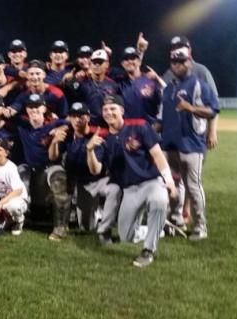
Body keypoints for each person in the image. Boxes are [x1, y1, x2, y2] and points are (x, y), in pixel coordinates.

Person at [86, 95, 177, 267]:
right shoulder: (103, 138)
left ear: (122, 110)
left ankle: (148, 250)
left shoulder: (139, 126)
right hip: (129, 190)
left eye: (113, 108)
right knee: (126, 236)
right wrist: (89, 151)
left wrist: (169, 180)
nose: (109, 112)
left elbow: (157, 154)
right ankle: (160, 229)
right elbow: (95, 170)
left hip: (151, 182)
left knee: (159, 201)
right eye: (105, 110)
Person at [161, 48, 219, 241]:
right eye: (174, 62)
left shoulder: (199, 84)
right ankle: (175, 219)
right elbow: (163, 119)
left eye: (182, 61)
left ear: (189, 62)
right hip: (170, 146)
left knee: (193, 186)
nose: (178, 65)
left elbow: (212, 110)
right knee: (173, 184)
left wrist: (191, 108)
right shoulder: (168, 88)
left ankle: (200, 226)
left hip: (192, 145)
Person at [49, 102, 121, 244]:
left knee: (87, 227)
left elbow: (96, 171)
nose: (77, 120)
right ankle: (60, 226)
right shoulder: (67, 132)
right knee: (58, 177)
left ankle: (95, 215)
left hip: (91, 181)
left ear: (88, 118)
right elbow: (52, 157)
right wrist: (54, 142)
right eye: (74, 116)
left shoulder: (96, 135)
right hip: (69, 176)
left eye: (81, 116)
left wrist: (90, 150)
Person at [15, 94, 71, 241]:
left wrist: (61, 129)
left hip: (50, 168)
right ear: (26, 110)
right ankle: (20, 220)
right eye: (30, 107)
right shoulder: (22, 126)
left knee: (59, 179)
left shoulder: (52, 125)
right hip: (30, 169)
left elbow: (70, 122)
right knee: (20, 173)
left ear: (44, 108)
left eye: (37, 106)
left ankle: (60, 228)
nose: (33, 110)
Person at [162, 35, 219, 150]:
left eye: (180, 47)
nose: (176, 50)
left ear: (189, 50)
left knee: (194, 166)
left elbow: (214, 103)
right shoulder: (168, 74)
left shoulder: (201, 71)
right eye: (174, 48)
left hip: (196, 134)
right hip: (172, 136)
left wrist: (212, 131)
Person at [0, 138, 29, 235]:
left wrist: (0, 204)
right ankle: (8, 220)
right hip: (5, 201)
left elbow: (18, 191)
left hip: (19, 200)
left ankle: (19, 221)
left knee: (13, 206)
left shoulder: (11, 168)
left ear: (6, 153)